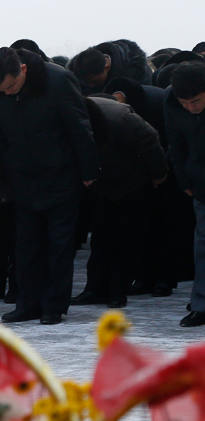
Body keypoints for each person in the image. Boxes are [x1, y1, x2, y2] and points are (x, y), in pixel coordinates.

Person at [0, 47, 100, 325]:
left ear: (23, 69)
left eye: (11, 86)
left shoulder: (58, 80)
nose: (7, 93)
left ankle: (53, 306)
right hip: (21, 175)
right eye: (2, 90)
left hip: (61, 174)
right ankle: (27, 303)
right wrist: (2, 172)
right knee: (26, 245)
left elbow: (79, 126)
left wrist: (88, 170)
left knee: (59, 245)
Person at [73, 96, 166, 308]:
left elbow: (151, 143)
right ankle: (94, 289)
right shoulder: (67, 117)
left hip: (132, 181)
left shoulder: (119, 118)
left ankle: (118, 291)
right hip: (99, 183)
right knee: (100, 238)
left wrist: (158, 176)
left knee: (126, 238)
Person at [166, 63, 205, 326]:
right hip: (200, 179)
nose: (191, 107)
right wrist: (183, 179)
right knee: (203, 245)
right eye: (185, 103)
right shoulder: (171, 102)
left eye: (197, 101)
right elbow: (175, 143)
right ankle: (201, 304)